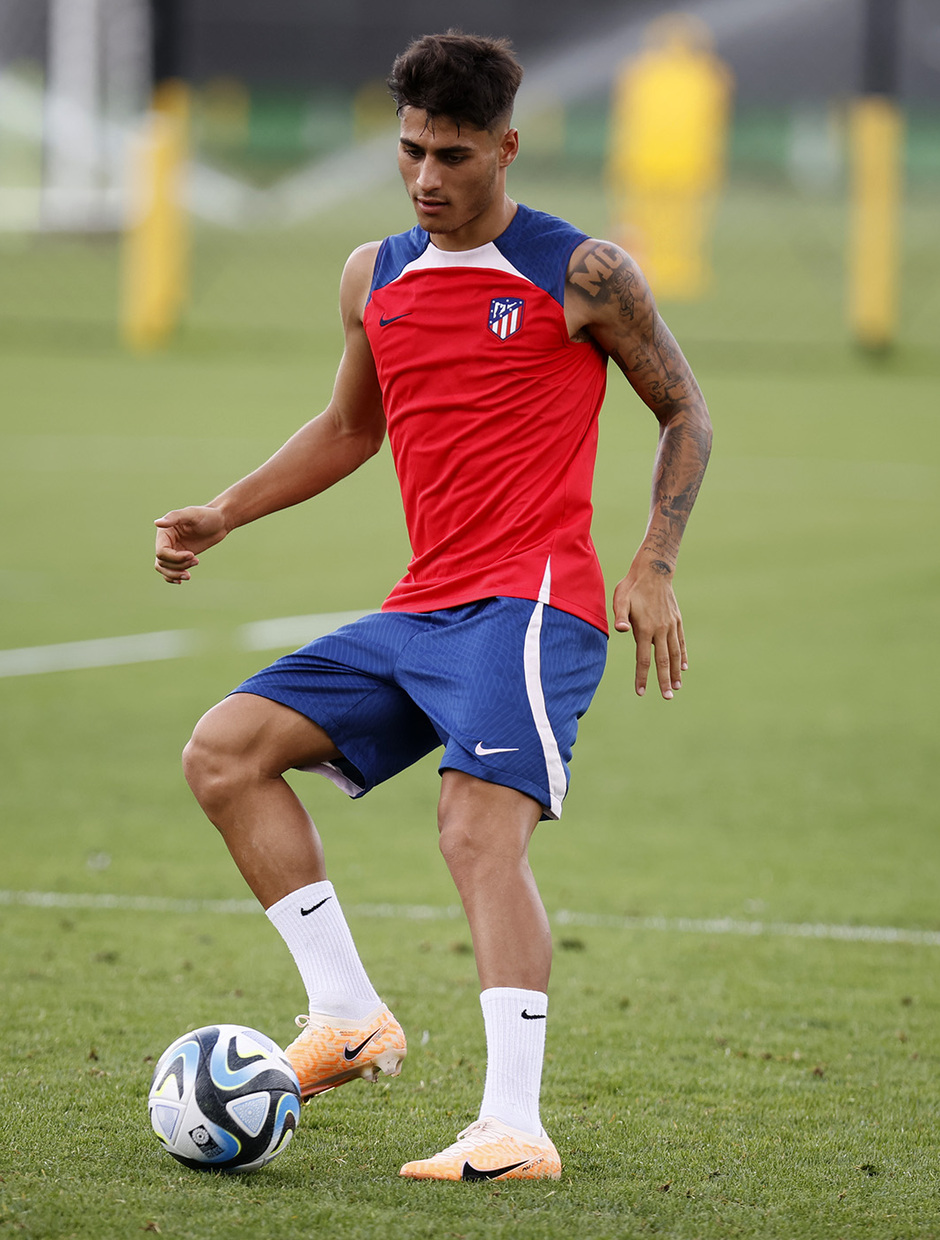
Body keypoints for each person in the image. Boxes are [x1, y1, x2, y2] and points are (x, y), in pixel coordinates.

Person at [154, 31, 712, 1183]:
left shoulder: (583, 272)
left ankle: (515, 1126)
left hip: (532, 606)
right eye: (409, 151)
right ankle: (348, 1014)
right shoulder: (375, 274)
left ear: (504, 147)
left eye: (451, 154)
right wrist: (226, 509)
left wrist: (652, 560)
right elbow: (352, 428)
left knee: (472, 830)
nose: (425, 177)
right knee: (223, 754)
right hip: (421, 608)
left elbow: (685, 411)